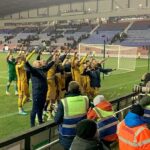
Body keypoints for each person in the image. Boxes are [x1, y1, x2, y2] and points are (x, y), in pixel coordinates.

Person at [54, 81, 89, 150]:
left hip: (68, 134)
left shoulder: (63, 102)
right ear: (79, 89)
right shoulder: (86, 99)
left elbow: (57, 120)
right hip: (83, 132)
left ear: (68, 89)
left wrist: (56, 111)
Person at [25, 56, 55, 127]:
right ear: (35, 65)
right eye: (38, 62)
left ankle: (40, 121)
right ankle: (32, 125)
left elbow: (48, 66)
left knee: (41, 107)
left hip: (43, 92)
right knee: (35, 109)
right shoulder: (34, 71)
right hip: (37, 93)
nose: (40, 62)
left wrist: (53, 60)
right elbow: (29, 67)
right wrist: (26, 62)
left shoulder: (42, 69)